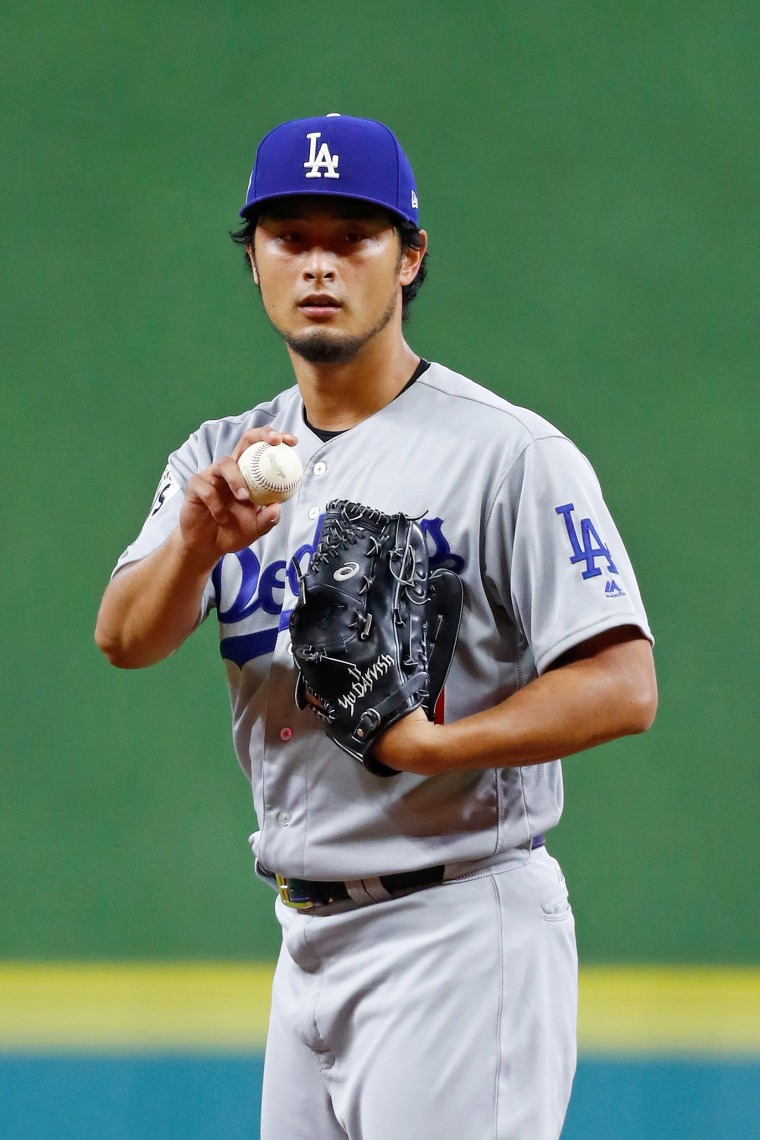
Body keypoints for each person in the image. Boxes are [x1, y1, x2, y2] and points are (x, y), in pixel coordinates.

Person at [95, 114, 657, 1140]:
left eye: (351, 236)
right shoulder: (220, 457)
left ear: (409, 258)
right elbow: (125, 637)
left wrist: (436, 746)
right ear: (254, 260)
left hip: (456, 928)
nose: (318, 263)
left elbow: (623, 683)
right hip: (304, 937)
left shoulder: (507, 455)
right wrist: (193, 545)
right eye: (289, 235)